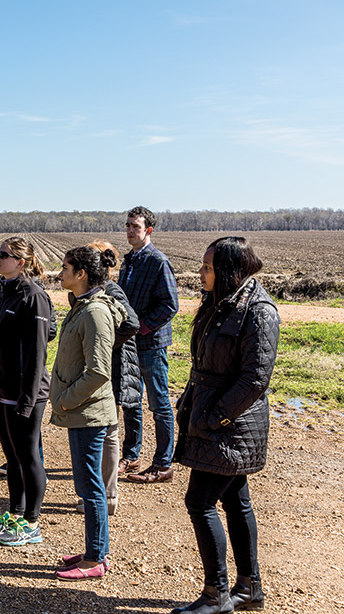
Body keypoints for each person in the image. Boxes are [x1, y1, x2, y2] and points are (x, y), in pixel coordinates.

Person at [170, 237, 278, 614]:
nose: (201, 272)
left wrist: (214, 417)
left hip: (230, 423)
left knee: (199, 501)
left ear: (229, 270)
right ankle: (250, 589)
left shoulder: (258, 311)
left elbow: (255, 380)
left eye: (207, 267)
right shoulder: (221, 303)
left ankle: (216, 595)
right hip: (212, 416)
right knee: (235, 500)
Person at [49, 246, 126, 581]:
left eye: (65, 268)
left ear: (81, 274)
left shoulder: (94, 312)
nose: (60, 273)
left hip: (87, 413)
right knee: (88, 484)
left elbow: (97, 372)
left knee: (90, 487)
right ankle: (97, 550)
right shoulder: (83, 306)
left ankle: (95, 558)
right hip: (83, 412)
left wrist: (65, 400)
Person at [0, 237, 56, 548]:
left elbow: (38, 353)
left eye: (4, 255)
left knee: (27, 456)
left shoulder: (33, 297)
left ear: (21, 262)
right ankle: (15, 514)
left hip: (25, 393)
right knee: (11, 457)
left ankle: (32, 523)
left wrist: (27, 398)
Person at [118, 205, 180, 484]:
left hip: (151, 343)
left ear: (149, 231)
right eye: (128, 225)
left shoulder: (158, 262)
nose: (130, 230)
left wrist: (141, 327)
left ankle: (163, 464)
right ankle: (131, 456)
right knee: (130, 400)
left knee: (159, 403)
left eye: (136, 227)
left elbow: (170, 305)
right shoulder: (128, 260)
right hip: (129, 342)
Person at [81, 240, 141, 517]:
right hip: (102, 362)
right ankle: (99, 495)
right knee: (100, 427)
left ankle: (108, 496)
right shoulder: (88, 291)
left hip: (115, 363)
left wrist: (104, 343)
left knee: (107, 429)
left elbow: (131, 323)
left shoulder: (111, 290)